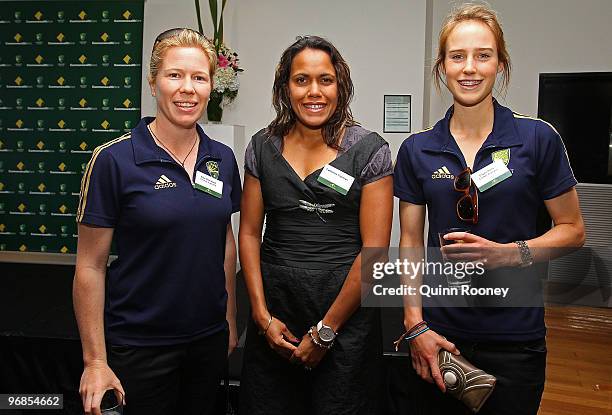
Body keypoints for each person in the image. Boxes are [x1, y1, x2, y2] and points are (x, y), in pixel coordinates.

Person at [393, 4, 585, 415]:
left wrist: (510, 253)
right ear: (442, 66)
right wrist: (414, 325)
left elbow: (572, 229)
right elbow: (410, 242)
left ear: (501, 63)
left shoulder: (537, 139)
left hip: (516, 338)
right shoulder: (416, 150)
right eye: (457, 56)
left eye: (483, 55)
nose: (469, 68)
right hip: (440, 336)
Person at [73, 28, 241, 415]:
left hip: (207, 341)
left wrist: (229, 319)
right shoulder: (114, 160)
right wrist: (95, 361)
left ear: (212, 86)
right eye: (175, 75)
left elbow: (225, 241)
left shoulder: (222, 159)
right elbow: (89, 266)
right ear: (153, 82)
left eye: (199, 77)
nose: (188, 88)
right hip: (139, 346)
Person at [239, 36, 393, 415]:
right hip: (276, 312)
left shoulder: (370, 150)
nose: (314, 91)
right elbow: (247, 233)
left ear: (340, 85)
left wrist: (326, 331)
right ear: (285, 87)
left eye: (325, 80)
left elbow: (375, 253)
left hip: (345, 311)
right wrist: (260, 315)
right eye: (301, 79)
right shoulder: (262, 147)